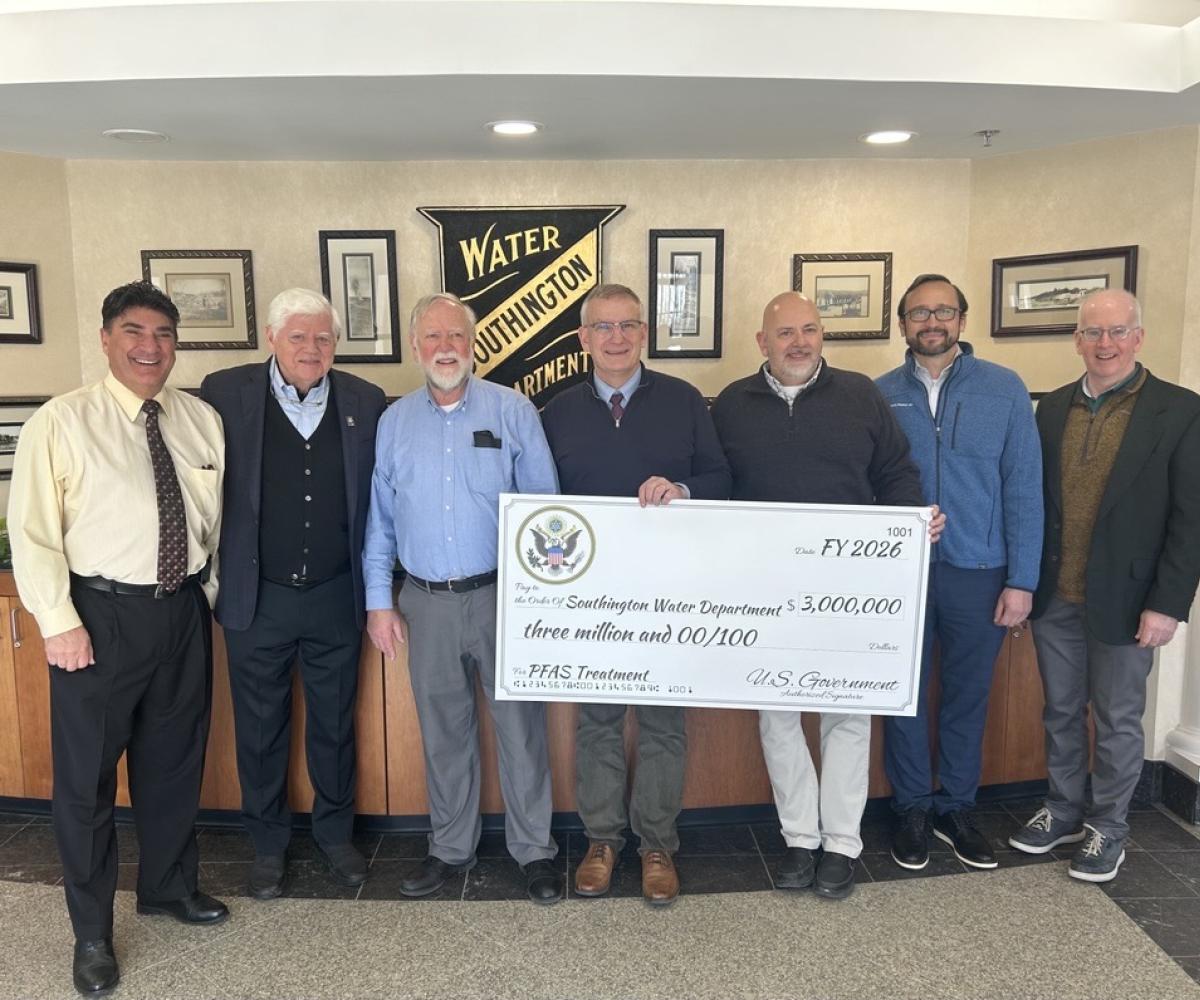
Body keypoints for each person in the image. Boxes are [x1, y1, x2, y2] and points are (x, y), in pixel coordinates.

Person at [8, 281, 228, 996]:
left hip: (180, 614)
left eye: (163, 333)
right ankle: (92, 933)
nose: (149, 346)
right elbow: (33, 529)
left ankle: (166, 887)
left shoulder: (200, 420)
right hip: (96, 620)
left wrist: (206, 600)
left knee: (173, 767)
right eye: (134, 331)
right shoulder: (62, 421)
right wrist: (58, 622)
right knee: (86, 785)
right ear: (107, 338)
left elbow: (210, 526)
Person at [711, 291, 940, 901]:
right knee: (778, 715)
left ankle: (840, 843)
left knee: (847, 713)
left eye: (809, 329)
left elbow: (897, 472)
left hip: (849, 587)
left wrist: (910, 526)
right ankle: (798, 839)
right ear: (762, 342)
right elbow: (715, 487)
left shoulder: (860, 394)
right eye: (784, 332)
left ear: (822, 337)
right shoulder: (732, 403)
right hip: (763, 590)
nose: (799, 342)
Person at [363, 292, 563, 905]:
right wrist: (379, 599)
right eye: (432, 338)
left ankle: (536, 852)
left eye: (455, 336)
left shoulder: (512, 411)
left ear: (472, 344)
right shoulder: (394, 422)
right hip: (424, 600)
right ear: (416, 346)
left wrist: (543, 602)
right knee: (443, 732)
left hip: (504, 596)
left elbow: (545, 513)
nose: (444, 347)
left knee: (521, 728)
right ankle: (451, 848)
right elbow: (381, 521)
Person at [540, 283, 731, 906]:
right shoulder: (555, 410)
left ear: (644, 333)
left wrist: (681, 486)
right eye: (602, 327)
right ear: (582, 339)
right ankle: (602, 841)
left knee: (662, 722)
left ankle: (656, 845)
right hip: (590, 597)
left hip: (669, 591)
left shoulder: (683, 401)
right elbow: (539, 502)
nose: (616, 338)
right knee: (595, 721)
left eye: (627, 326)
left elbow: (722, 478)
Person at [1008, 289, 1200, 882]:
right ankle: (1063, 810)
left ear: (1138, 338)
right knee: (1061, 709)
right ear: (1077, 339)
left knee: (1118, 719)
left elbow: (1190, 517)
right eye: (1093, 332)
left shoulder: (1180, 410)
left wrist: (1167, 605)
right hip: (1056, 593)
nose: (1105, 344)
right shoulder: (1053, 407)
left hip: (1130, 599)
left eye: (1117, 332)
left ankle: (1108, 826)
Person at [200, 288, 386, 898]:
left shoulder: (365, 400)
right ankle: (268, 845)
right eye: (299, 336)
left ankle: (336, 837)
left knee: (334, 725)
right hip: (258, 597)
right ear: (273, 339)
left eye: (323, 338)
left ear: (336, 344)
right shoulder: (224, 393)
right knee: (259, 728)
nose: (312, 348)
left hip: (336, 594)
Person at [875, 274, 1043, 871]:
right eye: (919, 312)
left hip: (981, 570)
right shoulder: (878, 393)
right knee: (904, 696)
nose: (931, 322)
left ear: (962, 321)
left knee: (968, 697)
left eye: (943, 310)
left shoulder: (1003, 388)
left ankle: (957, 807)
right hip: (903, 575)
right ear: (903, 325)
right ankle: (913, 808)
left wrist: (1022, 580)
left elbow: (1024, 487)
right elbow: (866, 487)